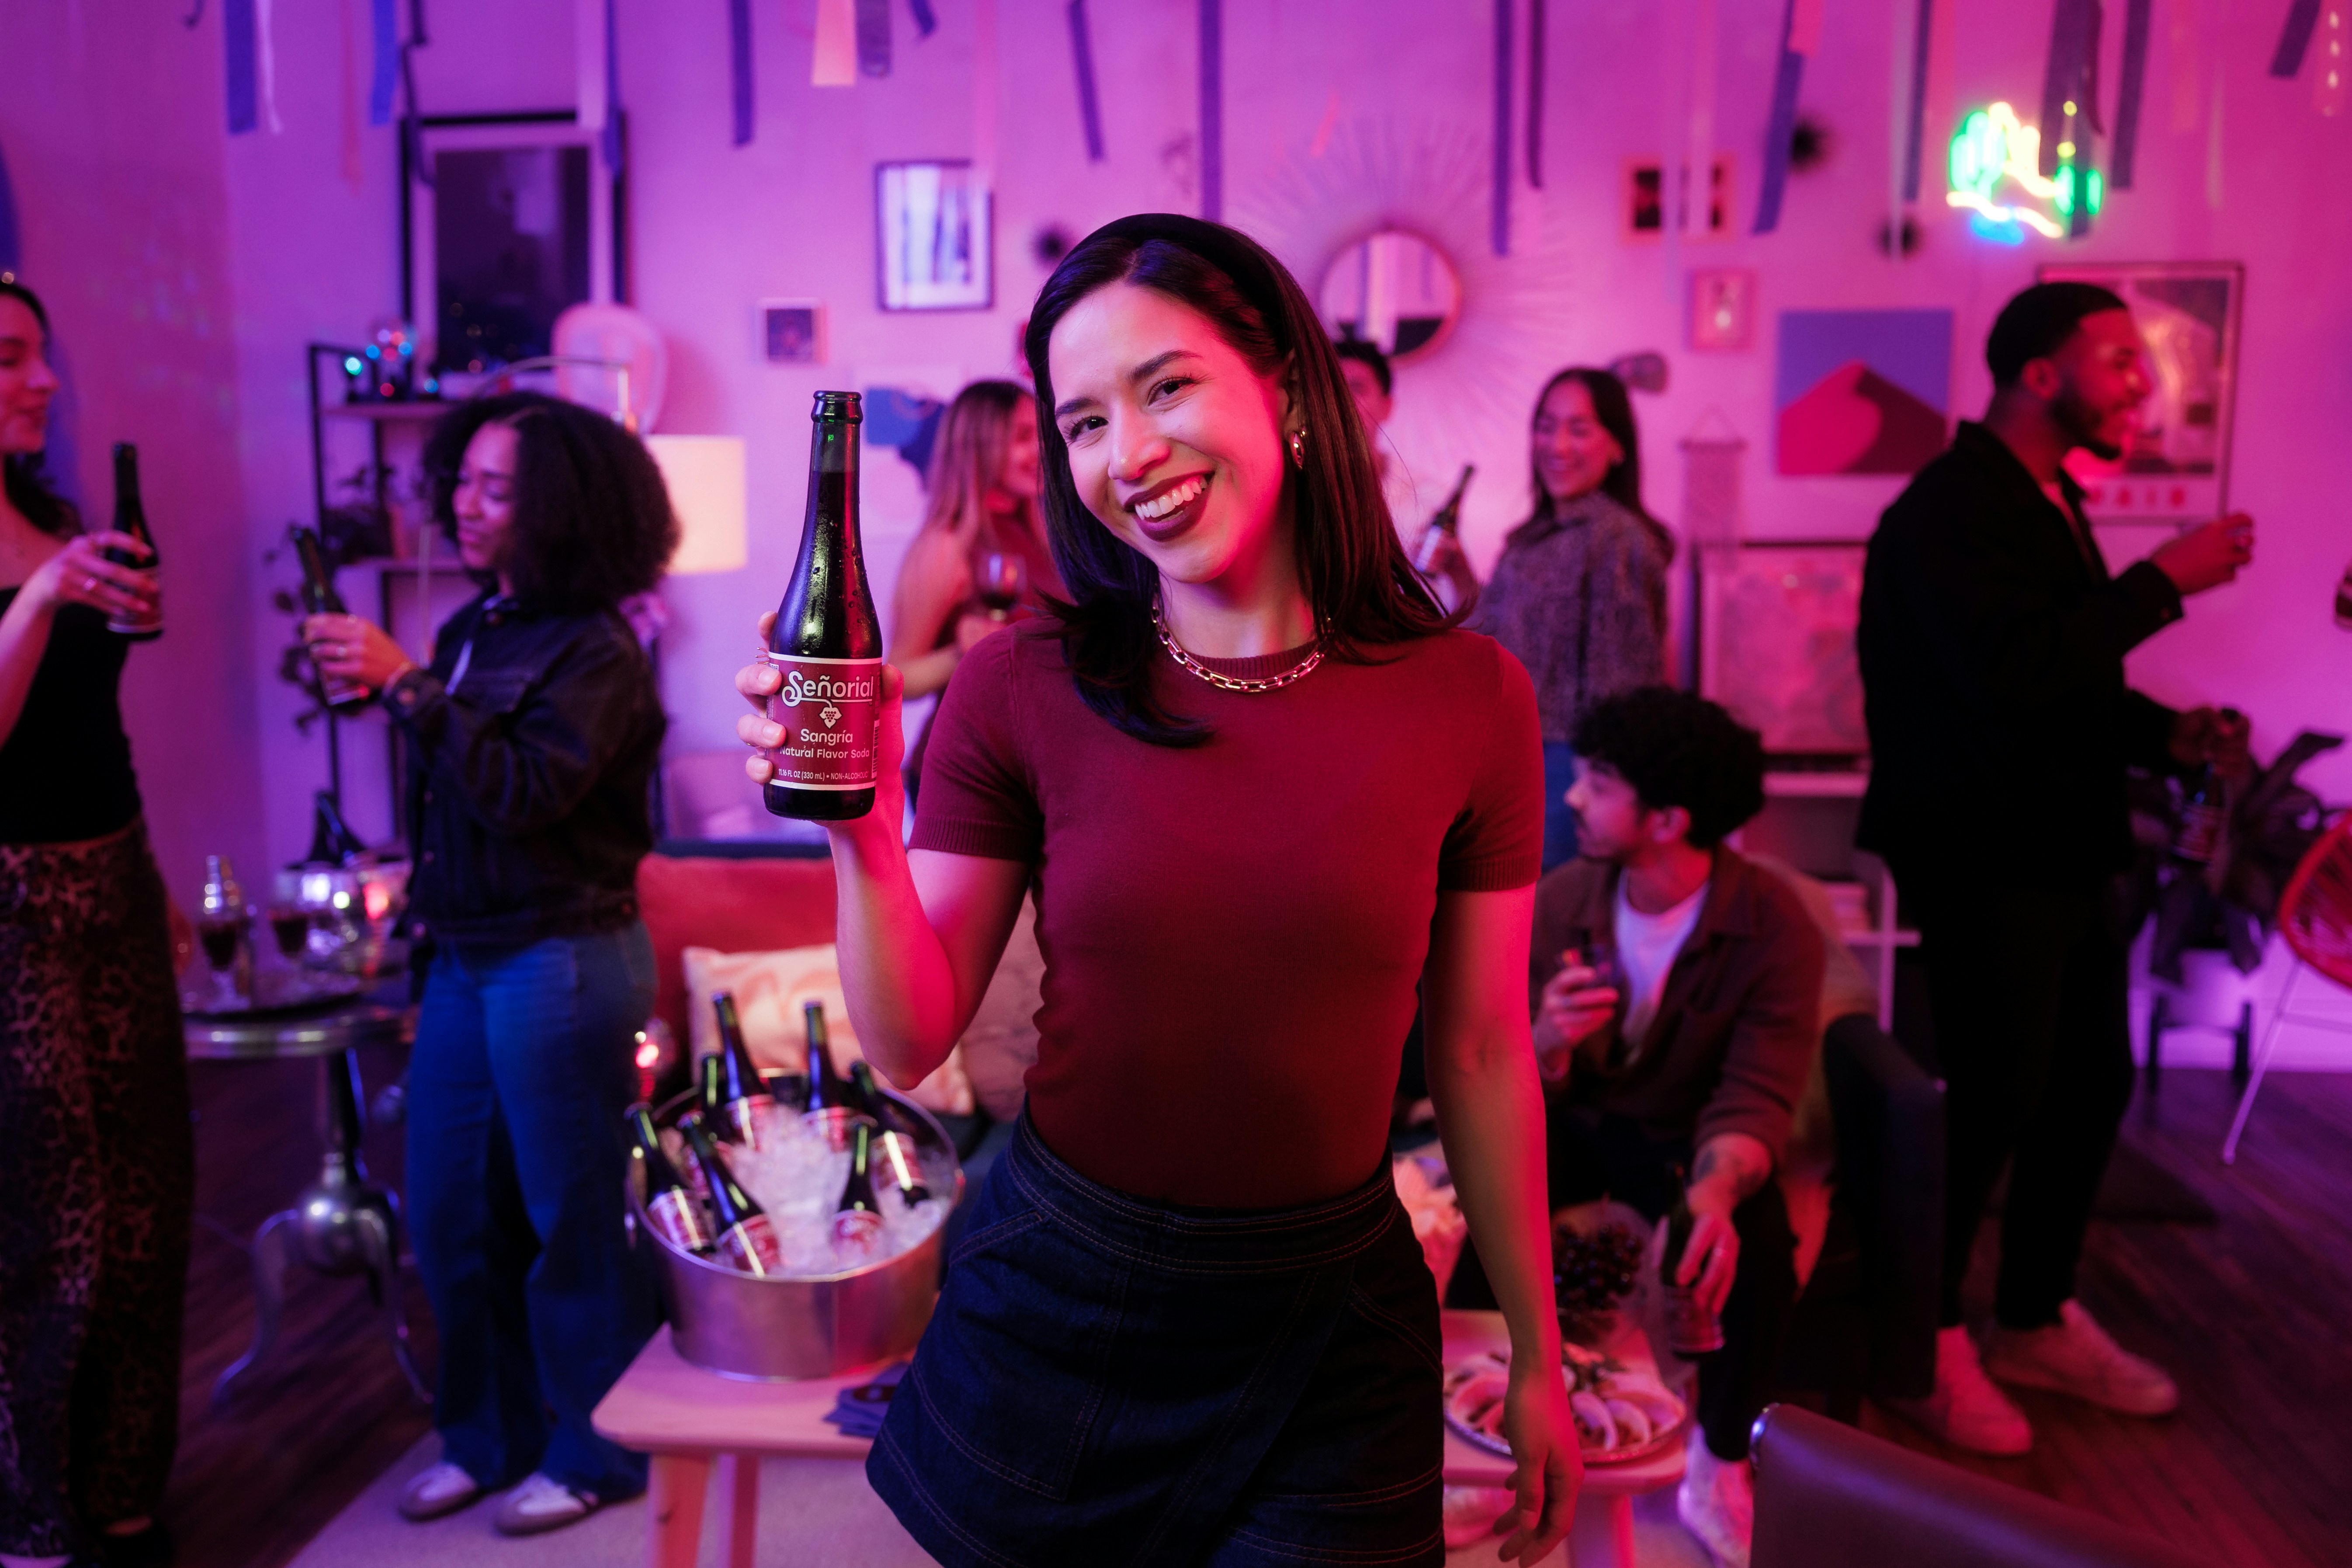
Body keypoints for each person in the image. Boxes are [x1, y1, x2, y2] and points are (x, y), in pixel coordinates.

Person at [735, 214, 1576, 1566]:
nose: (1125, 453)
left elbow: (1480, 1048)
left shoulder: (1469, 697)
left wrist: (1538, 1349)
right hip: (1066, 1289)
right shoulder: (1022, 683)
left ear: (1285, 388)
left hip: (1329, 1315)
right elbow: (906, 1034)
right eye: (1082, 422)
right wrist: (860, 828)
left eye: (1165, 386)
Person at [1858, 281, 2255, 1457]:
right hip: (1984, 849)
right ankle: (1920, 1342)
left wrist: (2163, 735)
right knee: (1991, 1095)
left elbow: (2063, 679)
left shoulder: (2043, 500)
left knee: (2086, 1083)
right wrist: (2162, 581)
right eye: (2117, 359)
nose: (2141, 382)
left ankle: (2031, 1315)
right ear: (2039, 374)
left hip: (2059, 844)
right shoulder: (1947, 507)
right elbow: (2009, 670)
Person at [304, 391, 677, 1536]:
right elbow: (456, 793)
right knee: (451, 1209)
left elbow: (525, 791)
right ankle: (488, 1435)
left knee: (571, 1215)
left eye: (496, 487)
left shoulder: (599, 647)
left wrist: (405, 685)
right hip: (464, 956)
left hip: (562, 952)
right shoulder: (476, 627)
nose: (464, 504)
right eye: (461, 480)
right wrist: (399, 691)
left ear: (560, 506)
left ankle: (599, 1450)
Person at [1457, 685, 1820, 1568]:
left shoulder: (1772, 925)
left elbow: (1757, 1093)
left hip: (1685, 1145)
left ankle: (1718, 1460)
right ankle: (1485, 1420)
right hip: (1578, 1122)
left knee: (1751, 1240)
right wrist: (1548, 1039)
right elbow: (1499, 1063)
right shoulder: (1560, 898)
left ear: (1667, 818)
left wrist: (1715, 1194)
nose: (1573, 796)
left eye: (1598, 780)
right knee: (1489, 1191)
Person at [0, 279, 191, 1568]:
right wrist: (37, 601)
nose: (45, 381)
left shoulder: (58, 520)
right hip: (9, 905)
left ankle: (123, 1487)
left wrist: (150, 872)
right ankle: (30, 1510)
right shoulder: (45, 562)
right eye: (11, 359)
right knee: (43, 1213)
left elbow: (90, 725)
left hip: (111, 875)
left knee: (148, 1197)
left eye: (41, 355)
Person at [1423, 368, 1675, 870]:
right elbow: (1498, 643)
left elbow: (1623, 693)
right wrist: (1461, 576)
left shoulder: (1618, 540)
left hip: (1569, 771)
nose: (1557, 445)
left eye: (1579, 429)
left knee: (1544, 913)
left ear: (1617, 447)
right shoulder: (1532, 538)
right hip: (1510, 758)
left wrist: (1599, 793)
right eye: (1546, 426)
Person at [886, 380, 1063, 798]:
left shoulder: (1039, 534)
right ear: (979, 446)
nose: (1041, 450)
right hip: (967, 770)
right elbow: (895, 680)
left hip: (1033, 766)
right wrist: (959, 654)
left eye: (1041, 435)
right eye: (1023, 437)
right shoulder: (947, 546)